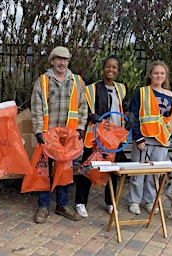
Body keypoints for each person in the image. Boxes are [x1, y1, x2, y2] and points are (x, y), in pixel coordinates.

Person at [30, 46, 88, 223]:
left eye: (65, 59)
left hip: (68, 137)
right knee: (44, 172)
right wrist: (39, 131)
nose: (62, 62)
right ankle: (43, 206)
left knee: (64, 171)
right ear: (52, 61)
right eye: (59, 59)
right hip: (48, 136)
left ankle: (62, 205)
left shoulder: (77, 82)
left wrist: (80, 129)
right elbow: (37, 107)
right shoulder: (43, 81)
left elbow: (83, 107)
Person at [74, 55, 128, 218]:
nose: (111, 70)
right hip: (95, 137)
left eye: (114, 67)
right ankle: (80, 203)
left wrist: (130, 118)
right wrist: (92, 116)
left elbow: (124, 108)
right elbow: (83, 109)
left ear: (118, 71)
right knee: (88, 169)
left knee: (113, 170)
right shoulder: (92, 89)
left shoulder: (121, 88)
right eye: (108, 66)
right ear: (103, 68)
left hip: (115, 138)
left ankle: (111, 202)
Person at [128, 60, 172, 215]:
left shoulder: (170, 96)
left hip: (161, 141)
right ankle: (134, 201)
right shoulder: (142, 92)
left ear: (165, 76)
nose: (159, 75)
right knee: (138, 172)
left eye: (162, 73)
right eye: (155, 73)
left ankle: (150, 201)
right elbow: (133, 115)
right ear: (150, 75)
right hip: (143, 140)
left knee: (155, 173)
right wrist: (137, 137)